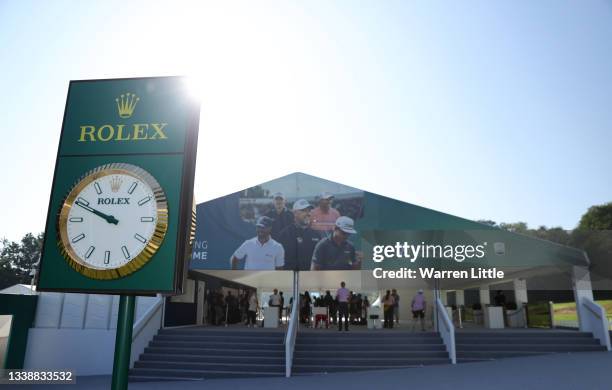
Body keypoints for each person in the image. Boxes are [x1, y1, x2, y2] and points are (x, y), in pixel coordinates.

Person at [277, 199, 322, 271]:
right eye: (304, 210)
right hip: (290, 278)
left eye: (309, 211)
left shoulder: (316, 235)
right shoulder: (285, 234)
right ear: (295, 213)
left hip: (310, 278)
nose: (308, 214)